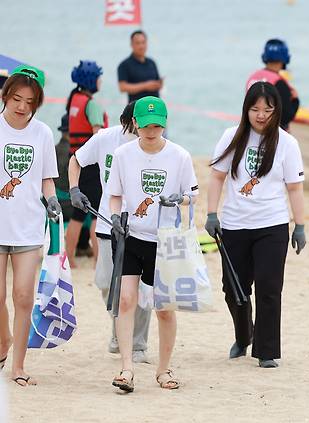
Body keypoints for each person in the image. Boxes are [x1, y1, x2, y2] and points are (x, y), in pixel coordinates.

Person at [206, 81, 306, 369]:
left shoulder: (287, 143)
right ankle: (243, 334)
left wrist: (299, 226)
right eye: (255, 109)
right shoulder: (231, 137)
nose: (261, 115)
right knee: (233, 288)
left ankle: (266, 351)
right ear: (246, 110)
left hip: (272, 225)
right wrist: (212, 214)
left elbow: (295, 188)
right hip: (235, 225)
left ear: (277, 111)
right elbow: (216, 178)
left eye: (267, 109)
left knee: (269, 288)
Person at [107, 96, 198, 392]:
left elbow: (192, 195)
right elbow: (115, 195)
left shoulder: (180, 156)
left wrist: (179, 199)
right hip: (131, 236)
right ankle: (127, 368)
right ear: (135, 123)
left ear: (165, 124)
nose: (151, 131)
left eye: (157, 125)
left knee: (164, 309)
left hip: (165, 240)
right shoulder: (122, 154)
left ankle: (163, 369)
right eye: (146, 125)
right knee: (125, 300)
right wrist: (115, 218)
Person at [68, 101, 151, 363]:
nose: (143, 131)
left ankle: (137, 344)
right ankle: (119, 328)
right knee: (105, 282)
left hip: (141, 226)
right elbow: (75, 160)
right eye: (138, 124)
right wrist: (74, 189)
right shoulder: (106, 138)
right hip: (107, 222)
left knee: (139, 288)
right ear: (128, 121)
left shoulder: (152, 143)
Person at [0, 65, 61, 386]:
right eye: (16, 99)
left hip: (28, 226)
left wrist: (52, 202)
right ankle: (3, 340)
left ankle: (19, 366)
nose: (22, 106)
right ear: (5, 97)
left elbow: (47, 179)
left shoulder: (43, 133)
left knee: (24, 297)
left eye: (29, 101)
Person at [64, 60, 108, 267]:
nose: (100, 81)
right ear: (92, 80)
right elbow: (98, 135)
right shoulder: (92, 104)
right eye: (98, 77)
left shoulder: (74, 99)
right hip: (91, 163)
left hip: (76, 160)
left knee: (78, 214)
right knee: (97, 212)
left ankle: (70, 259)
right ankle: (99, 261)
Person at [246, 39, 299, 130]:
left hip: (251, 128)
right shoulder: (279, 82)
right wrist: (296, 101)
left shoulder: (253, 77)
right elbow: (286, 116)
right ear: (285, 58)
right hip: (272, 134)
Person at [117, 30, 163, 103]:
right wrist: (145, 86)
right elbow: (122, 87)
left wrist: (158, 85)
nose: (141, 46)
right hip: (136, 108)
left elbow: (157, 82)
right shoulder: (124, 65)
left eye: (143, 42)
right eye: (138, 43)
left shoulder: (152, 62)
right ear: (131, 44)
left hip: (154, 107)